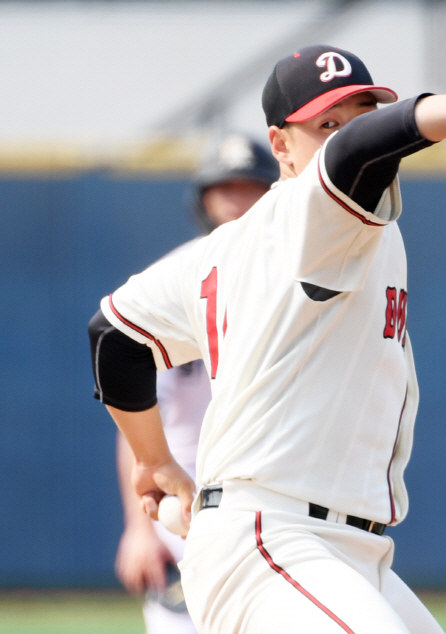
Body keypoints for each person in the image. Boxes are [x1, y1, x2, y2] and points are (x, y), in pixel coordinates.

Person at [89, 45, 446, 634]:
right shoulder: (310, 213)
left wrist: (154, 461)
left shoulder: (219, 251)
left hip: (339, 547)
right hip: (273, 541)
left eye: (362, 112)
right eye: (326, 124)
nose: (347, 133)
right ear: (281, 146)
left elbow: (113, 337)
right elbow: (362, 150)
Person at [112, 131, 277, 634]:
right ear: (202, 199)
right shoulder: (172, 280)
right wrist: (139, 529)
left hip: (275, 506)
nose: (237, 199)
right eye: (224, 186)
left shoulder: (296, 279)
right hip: (185, 510)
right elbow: (134, 419)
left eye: (250, 186)